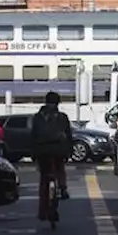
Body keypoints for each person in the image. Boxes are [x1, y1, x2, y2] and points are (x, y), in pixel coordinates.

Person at [29, 92, 73, 222]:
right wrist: (69, 152)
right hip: (59, 150)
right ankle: (63, 188)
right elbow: (69, 136)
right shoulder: (62, 117)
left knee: (44, 179)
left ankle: (42, 211)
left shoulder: (38, 117)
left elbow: (33, 136)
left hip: (42, 151)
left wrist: (33, 153)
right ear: (58, 103)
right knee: (60, 168)